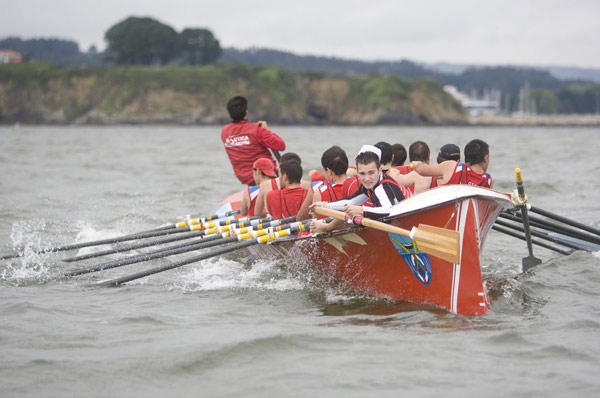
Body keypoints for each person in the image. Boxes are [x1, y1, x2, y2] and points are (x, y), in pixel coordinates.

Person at [310, 145, 412, 234]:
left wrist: (362, 210)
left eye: (371, 173)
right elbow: (351, 201)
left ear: (380, 170)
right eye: (362, 174)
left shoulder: (383, 187)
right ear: (357, 172)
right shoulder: (370, 185)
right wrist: (325, 205)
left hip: (410, 222)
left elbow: (388, 211)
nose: (367, 179)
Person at [221, 96, 286, 186]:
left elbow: (243, 134)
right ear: (246, 112)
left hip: (247, 178)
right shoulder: (257, 130)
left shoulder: (225, 131)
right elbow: (281, 145)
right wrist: (266, 131)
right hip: (267, 175)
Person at [412, 139, 493, 188]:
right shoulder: (489, 180)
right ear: (486, 158)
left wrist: (416, 164)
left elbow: (421, 170)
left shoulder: (452, 166)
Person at [254, 152, 313, 216]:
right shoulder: (308, 186)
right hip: (301, 223)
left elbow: (257, 213)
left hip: (276, 222)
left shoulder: (266, 186)